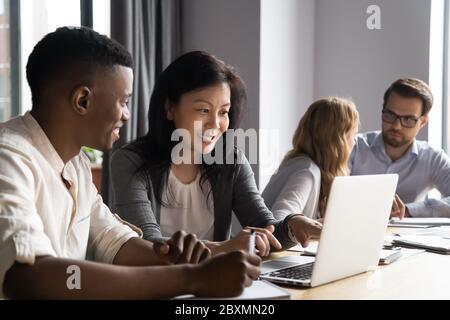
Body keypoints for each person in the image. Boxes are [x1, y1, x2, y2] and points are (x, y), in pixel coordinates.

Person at [0, 27, 261, 299]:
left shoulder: (76, 164)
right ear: (82, 100)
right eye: (124, 101)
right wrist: (191, 278)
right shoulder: (9, 157)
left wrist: (180, 257)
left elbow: (114, 241)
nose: (127, 115)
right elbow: (27, 277)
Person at [110, 51, 322, 257]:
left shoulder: (232, 161)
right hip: (157, 287)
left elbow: (266, 230)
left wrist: (293, 225)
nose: (216, 124)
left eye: (223, 112)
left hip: (217, 285)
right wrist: (225, 247)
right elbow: (149, 245)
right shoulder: (130, 162)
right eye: (203, 110)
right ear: (169, 108)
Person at [349, 78, 450, 218]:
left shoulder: (433, 158)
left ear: (423, 122)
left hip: (407, 238)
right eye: (390, 115)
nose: (396, 126)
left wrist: (409, 210)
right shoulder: (354, 146)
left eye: (408, 119)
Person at [262, 97, 359, 220]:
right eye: (352, 135)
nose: (354, 142)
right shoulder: (306, 172)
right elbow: (279, 218)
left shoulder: (299, 163)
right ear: (337, 141)